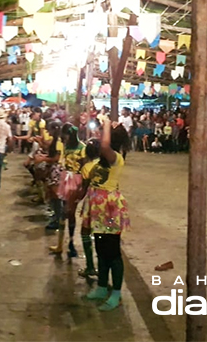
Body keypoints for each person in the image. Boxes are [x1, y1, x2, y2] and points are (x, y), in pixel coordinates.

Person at [80, 118, 130, 311]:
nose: (99, 137)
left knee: (113, 252)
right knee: (101, 248)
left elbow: (105, 144)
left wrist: (107, 122)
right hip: (98, 208)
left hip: (109, 209)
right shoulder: (100, 161)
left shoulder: (115, 158)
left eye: (102, 134)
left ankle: (116, 293)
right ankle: (102, 286)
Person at [50, 123, 86, 258]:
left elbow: (84, 166)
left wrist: (82, 187)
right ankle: (61, 244)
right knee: (64, 211)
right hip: (66, 179)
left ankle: (70, 243)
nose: (64, 140)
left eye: (65, 137)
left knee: (69, 212)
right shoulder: (67, 146)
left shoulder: (82, 148)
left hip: (76, 180)